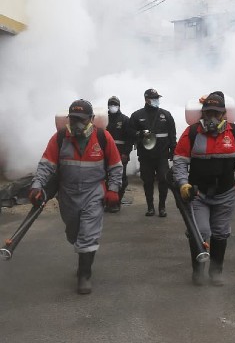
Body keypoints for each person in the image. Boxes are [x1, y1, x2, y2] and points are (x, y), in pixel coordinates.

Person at [173, 91, 235, 286]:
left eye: (216, 113)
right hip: (198, 193)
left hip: (226, 194)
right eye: (208, 112)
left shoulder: (234, 133)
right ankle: (198, 270)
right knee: (200, 231)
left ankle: (216, 271)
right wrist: (182, 184)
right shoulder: (192, 132)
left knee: (220, 232)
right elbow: (179, 162)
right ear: (202, 113)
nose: (212, 117)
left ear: (223, 114)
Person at [29, 99, 123, 294]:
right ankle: (81, 254)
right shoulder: (60, 137)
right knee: (74, 232)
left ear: (91, 119)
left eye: (81, 119)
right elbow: (46, 164)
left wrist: (113, 189)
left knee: (88, 234)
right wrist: (37, 185)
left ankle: (84, 275)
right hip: (68, 194)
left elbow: (115, 166)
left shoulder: (103, 137)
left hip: (93, 192)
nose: (77, 123)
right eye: (73, 119)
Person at [129, 88, 176, 218]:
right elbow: (130, 132)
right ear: (146, 99)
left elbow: (172, 134)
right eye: (153, 98)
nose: (156, 100)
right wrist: (139, 134)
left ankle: (162, 207)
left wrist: (173, 150)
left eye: (157, 98)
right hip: (145, 156)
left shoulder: (166, 115)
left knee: (163, 179)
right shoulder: (137, 116)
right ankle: (150, 207)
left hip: (162, 155)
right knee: (147, 181)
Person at [105, 96, 134, 212]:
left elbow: (130, 138)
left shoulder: (125, 120)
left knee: (120, 178)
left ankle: (116, 202)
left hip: (120, 153)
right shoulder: (103, 119)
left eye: (115, 104)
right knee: (105, 178)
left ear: (119, 105)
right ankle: (107, 202)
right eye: (111, 104)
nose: (113, 106)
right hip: (105, 154)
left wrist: (126, 153)